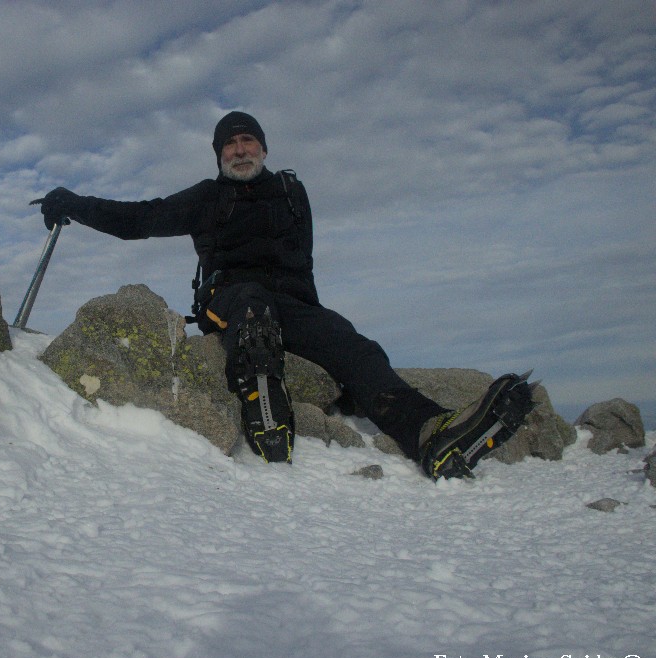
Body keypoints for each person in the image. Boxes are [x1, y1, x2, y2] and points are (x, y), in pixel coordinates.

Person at [33, 111, 535, 478]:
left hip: (295, 304)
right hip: (229, 296)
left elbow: (303, 264)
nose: (239, 150)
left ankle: (431, 436)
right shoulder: (207, 198)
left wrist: (318, 337)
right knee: (252, 311)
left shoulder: (293, 194)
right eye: (228, 145)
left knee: (355, 348)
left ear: (264, 149)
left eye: (247, 140)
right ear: (218, 156)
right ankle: (266, 414)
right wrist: (73, 203)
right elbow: (137, 220)